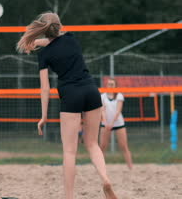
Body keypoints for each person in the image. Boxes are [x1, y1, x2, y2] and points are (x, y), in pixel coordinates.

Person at [17, 12, 117, 199]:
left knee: (70, 151)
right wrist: (38, 41)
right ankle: (105, 179)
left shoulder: (45, 55)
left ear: (43, 30)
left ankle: (69, 197)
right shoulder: (71, 38)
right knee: (93, 144)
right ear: (60, 26)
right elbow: (56, 40)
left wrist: (44, 116)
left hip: (71, 94)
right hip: (91, 90)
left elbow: (44, 89)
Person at [99, 78, 133, 169]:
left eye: (112, 84)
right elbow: (102, 110)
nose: (110, 86)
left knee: (124, 146)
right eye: (109, 84)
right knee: (102, 146)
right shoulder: (102, 96)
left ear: (115, 86)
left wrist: (112, 123)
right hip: (105, 123)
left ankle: (130, 167)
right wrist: (106, 122)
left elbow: (118, 111)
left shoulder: (119, 95)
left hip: (118, 123)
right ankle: (101, 168)